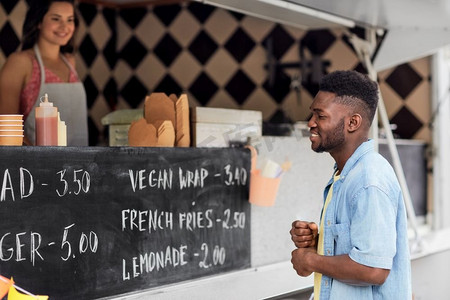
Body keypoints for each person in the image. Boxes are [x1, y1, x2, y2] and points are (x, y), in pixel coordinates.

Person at [290, 70, 411, 299]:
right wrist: (320, 242)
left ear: (353, 122)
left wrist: (311, 260)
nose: (310, 123)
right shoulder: (346, 174)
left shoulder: (368, 180)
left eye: (320, 116)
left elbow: (373, 270)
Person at [0, 0, 88, 146]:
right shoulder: (20, 62)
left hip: (79, 163)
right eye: (56, 18)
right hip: (37, 164)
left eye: (70, 20)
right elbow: (5, 121)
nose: (64, 26)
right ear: (38, 22)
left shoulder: (70, 61)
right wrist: (38, 158)